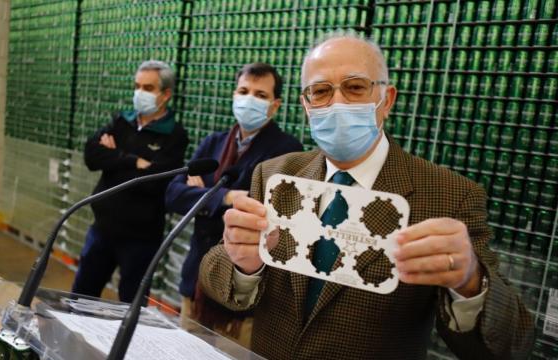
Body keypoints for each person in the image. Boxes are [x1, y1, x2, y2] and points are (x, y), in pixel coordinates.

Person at [199, 31, 534, 359]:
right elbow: (219, 281)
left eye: (355, 87)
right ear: (306, 104)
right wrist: (243, 265)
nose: (338, 103)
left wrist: (470, 282)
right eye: (321, 91)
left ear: (386, 100)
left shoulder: (450, 196)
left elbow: (510, 345)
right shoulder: (275, 174)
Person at [165, 62, 303, 344]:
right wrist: (226, 197)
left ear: (275, 106)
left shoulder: (287, 151)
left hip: (245, 294)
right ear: (234, 95)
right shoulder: (213, 143)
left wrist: (204, 198)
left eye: (260, 95)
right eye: (244, 91)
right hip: (198, 280)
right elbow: (173, 194)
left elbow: (266, 213)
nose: (249, 99)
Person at [72, 60, 188, 303]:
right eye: (137, 86)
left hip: (141, 239)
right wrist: (134, 162)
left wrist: (113, 160)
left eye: (148, 88)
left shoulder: (175, 134)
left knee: (131, 307)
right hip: (102, 229)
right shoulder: (121, 122)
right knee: (80, 298)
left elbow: (154, 183)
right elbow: (92, 156)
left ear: (165, 94)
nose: (139, 93)